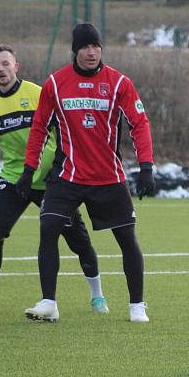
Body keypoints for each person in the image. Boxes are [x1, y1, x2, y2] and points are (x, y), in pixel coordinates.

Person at [18, 23, 156, 322]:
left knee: (127, 239)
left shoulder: (119, 83)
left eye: (95, 46)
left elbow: (140, 124)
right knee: (48, 229)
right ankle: (48, 303)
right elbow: (39, 128)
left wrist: (146, 166)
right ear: (75, 50)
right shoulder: (55, 84)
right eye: (85, 47)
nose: (91, 52)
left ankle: (136, 306)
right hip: (67, 176)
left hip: (108, 177)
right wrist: (29, 171)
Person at [0, 44, 107, 316]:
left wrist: (60, 166)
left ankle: (97, 296)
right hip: (14, 180)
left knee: (77, 240)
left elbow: (65, 129)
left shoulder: (38, 93)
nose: (1, 69)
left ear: (16, 66)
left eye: (6, 63)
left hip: (51, 181)